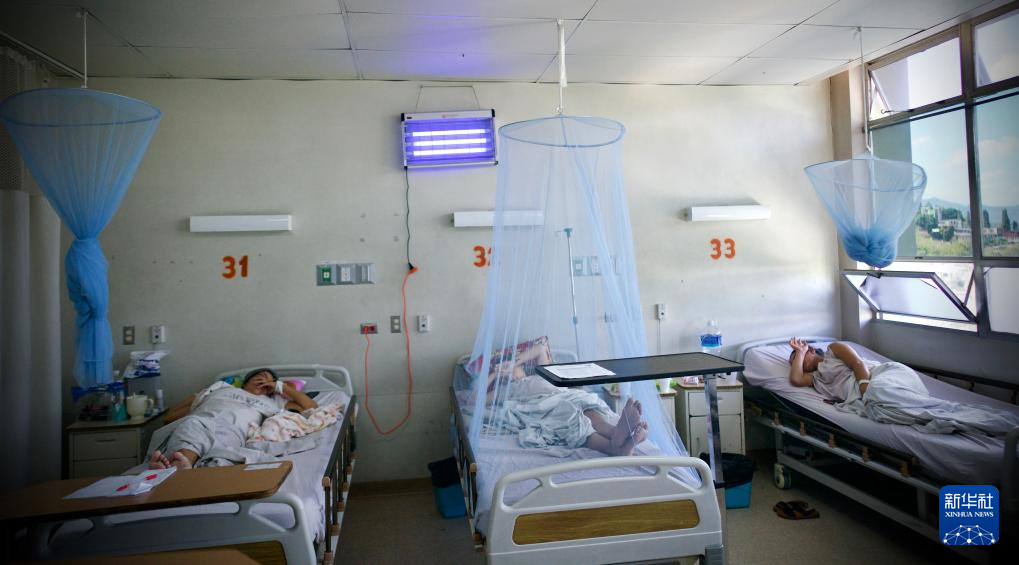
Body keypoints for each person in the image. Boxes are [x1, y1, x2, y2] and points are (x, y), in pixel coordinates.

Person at [474, 340, 649, 456]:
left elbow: (540, 348)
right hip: (544, 406)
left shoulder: (541, 373)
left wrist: (514, 362)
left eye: (513, 366)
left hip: (566, 394)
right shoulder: (505, 390)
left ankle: (615, 433)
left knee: (587, 407)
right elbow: (472, 400)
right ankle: (612, 447)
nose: (510, 370)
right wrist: (495, 374)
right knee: (570, 416)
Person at [149, 368, 318, 470]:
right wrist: (202, 399)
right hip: (202, 419)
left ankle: (181, 470)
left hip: (234, 429)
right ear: (245, 382)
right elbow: (169, 417)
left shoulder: (273, 402)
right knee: (192, 426)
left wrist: (281, 387)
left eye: (269, 379)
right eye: (259, 376)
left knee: (220, 452)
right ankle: (181, 467)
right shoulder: (220, 388)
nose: (263, 380)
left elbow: (311, 408)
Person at [787, 337, 879, 401]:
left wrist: (865, 391)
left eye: (797, 358)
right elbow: (796, 380)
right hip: (860, 395)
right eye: (795, 363)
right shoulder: (815, 378)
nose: (798, 363)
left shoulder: (833, 350)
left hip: (871, 377)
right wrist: (800, 353)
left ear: (812, 351)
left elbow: (858, 363)